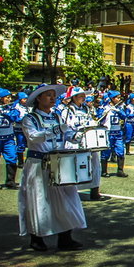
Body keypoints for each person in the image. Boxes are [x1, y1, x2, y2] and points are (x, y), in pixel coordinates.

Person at [19, 84, 86, 251]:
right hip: (38, 164)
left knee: (67, 199)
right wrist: (56, 130)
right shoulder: (30, 119)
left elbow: (69, 135)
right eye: (48, 95)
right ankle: (37, 237)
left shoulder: (57, 116)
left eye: (53, 95)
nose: (52, 98)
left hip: (59, 162)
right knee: (40, 200)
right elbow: (34, 137)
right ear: (38, 99)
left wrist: (79, 134)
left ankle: (65, 237)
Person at [61, 86, 104, 201]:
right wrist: (74, 134)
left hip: (88, 140)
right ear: (74, 97)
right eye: (81, 96)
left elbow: (90, 120)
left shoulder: (87, 109)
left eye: (84, 95)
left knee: (95, 163)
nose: (83, 98)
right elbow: (65, 127)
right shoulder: (67, 110)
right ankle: (71, 192)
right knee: (73, 166)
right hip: (73, 141)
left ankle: (95, 191)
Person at [98, 90, 128, 178]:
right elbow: (99, 119)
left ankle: (120, 170)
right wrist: (103, 113)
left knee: (121, 151)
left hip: (118, 133)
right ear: (112, 98)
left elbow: (124, 116)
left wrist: (118, 111)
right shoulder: (104, 107)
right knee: (106, 152)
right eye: (117, 98)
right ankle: (104, 171)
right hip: (108, 133)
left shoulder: (119, 107)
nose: (119, 99)